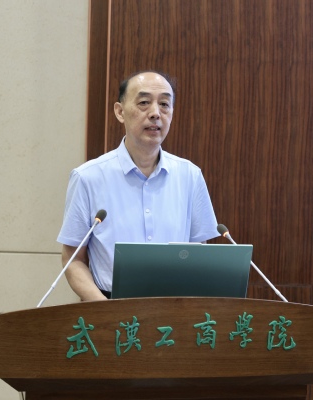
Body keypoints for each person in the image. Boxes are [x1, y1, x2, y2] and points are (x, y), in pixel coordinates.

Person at [57, 71, 219, 301]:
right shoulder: (87, 177)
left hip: (174, 307)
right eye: (144, 103)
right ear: (120, 112)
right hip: (109, 304)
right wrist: (105, 310)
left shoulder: (190, 176)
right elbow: (73, 259)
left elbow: (197, 254)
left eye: (164, 104)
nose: (155, 113)